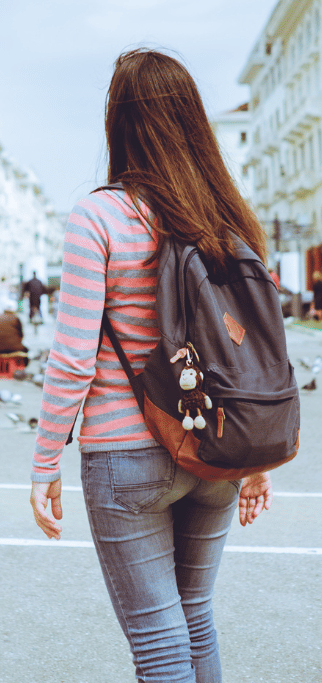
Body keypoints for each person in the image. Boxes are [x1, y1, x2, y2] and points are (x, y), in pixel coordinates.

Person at [30, 48, 273, 683]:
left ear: (119, 121)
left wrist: (45, 460)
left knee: (160, 642)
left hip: (126, 454)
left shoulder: (100, 216)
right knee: (195, 618)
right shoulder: (225, 217)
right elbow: (253, 349)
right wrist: (254, 458)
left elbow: (74, 358)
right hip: (217, 447)